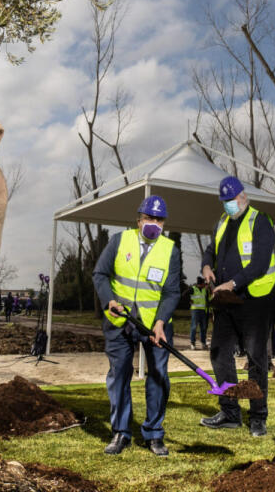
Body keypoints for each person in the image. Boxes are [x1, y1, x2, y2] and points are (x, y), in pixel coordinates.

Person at [92, 194, 180, 456]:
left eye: (159, 219)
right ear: (139, 219)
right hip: (120, 321)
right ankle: (121, 432)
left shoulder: (170, 250)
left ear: (164, 223)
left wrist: (161, 322)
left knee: (158, 376)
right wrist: (109, 301)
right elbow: (100, 274)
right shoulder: (120, 241)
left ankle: (154, 434)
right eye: (149, 218)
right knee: (119, 375)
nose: (154, 222)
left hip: (156, 326)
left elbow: (172, 292)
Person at [199, 175, 275, 437]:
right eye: (225, 202)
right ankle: (230, 412)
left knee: (256, 358)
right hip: (225, 301)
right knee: (220, 353)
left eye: (232, 200)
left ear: (243, 196)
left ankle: (258, 416)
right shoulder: (222, 222)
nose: (229, 205)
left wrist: (233, 283)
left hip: (255, 300)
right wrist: (207, 265)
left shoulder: (260, 221)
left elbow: (260, 263)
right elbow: (211, 249)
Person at [190, 277, 209, 350]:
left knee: (203, 328)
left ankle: (203, 343)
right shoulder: (193, 289)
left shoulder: (204, 290)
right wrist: (189, 300)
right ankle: (192, 343)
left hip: (203, 311)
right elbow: (183, 294)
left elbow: (207, 300)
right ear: (200, 284)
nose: (205, 284)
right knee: (194, 327)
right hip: (195, 311)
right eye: (203, 283)